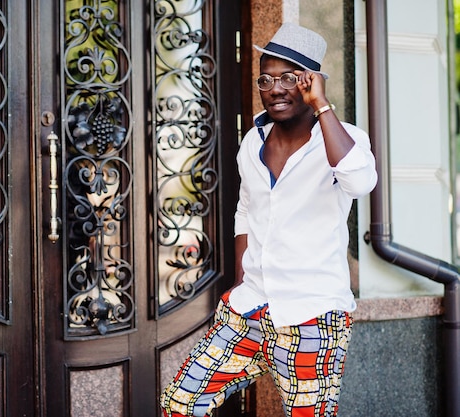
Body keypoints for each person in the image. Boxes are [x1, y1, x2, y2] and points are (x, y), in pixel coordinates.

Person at [160, 22, 378, 417]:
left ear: (311, 82)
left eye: (289, 78)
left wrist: (322, 107)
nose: (274, 88)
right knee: (181, 401)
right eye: (266, 78)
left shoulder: (343, 138)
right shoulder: (252, 141)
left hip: (312, 317)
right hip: (249, 310)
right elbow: (247, 210)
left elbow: (360, 181)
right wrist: (243, 280)